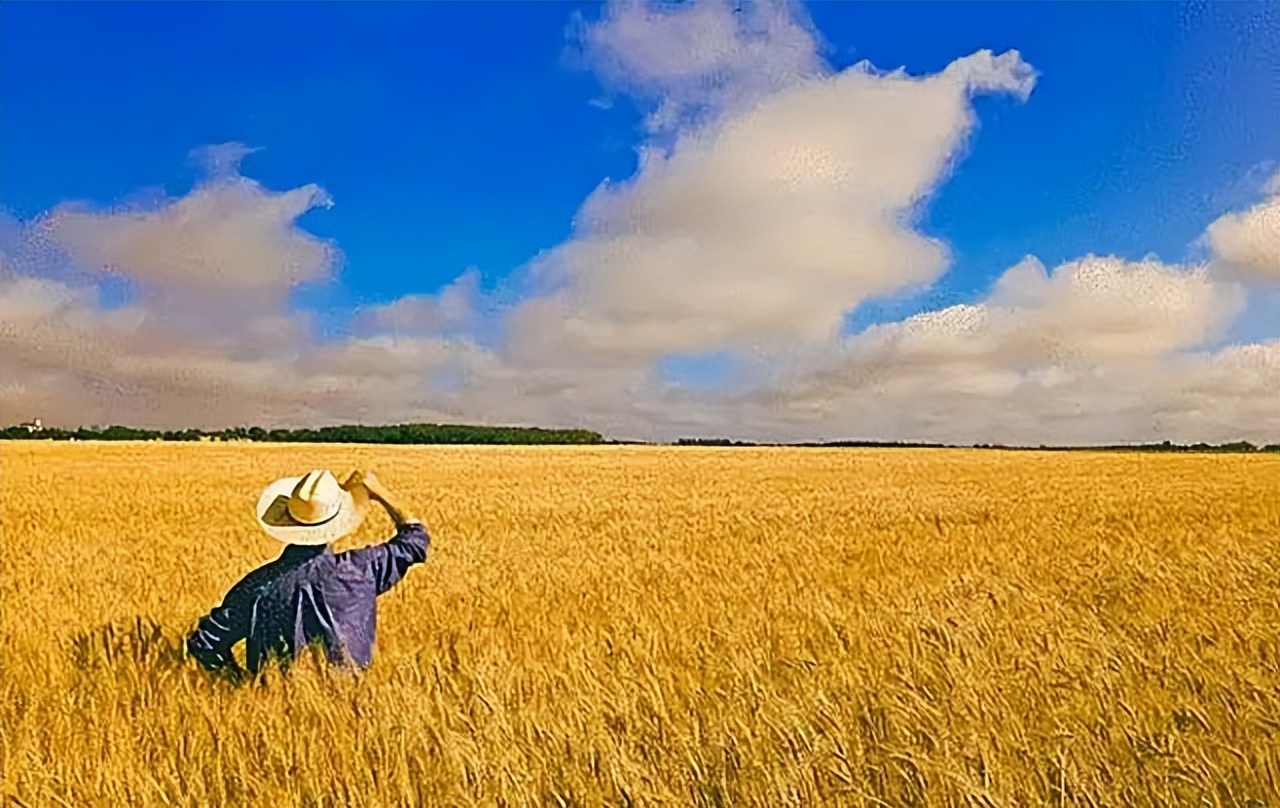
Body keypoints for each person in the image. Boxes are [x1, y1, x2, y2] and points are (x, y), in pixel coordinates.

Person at [186, 468, 429, 679]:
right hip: (352, 712)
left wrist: (240, 688)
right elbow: (415, 541)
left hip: (273, 716)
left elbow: (205, 643)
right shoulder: (361, 570)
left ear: (285, 523)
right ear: (338, 522)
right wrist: (378, 492)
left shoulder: (257, 586)